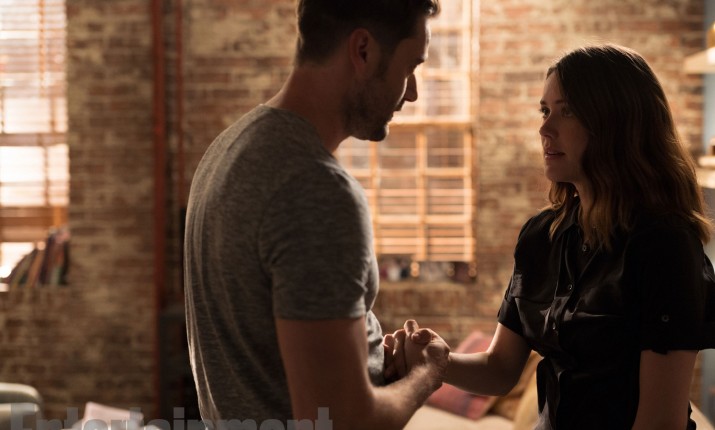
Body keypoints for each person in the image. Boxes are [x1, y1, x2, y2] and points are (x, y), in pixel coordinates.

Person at [391, 44, 715, 429]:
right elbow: (500, 368)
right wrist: (434, 362)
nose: (545, 128)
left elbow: (659, 424)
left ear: (616, 122)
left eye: (568, 111)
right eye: (545, 111)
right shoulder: (540, 237)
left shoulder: (665, 246)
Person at [183, 1, 450, 429]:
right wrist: (425, 375)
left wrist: (373, 366)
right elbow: (342, 422)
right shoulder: (316, 188)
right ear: (363, 50)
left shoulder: (226, 149)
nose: (413, 91)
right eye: (410, 66)